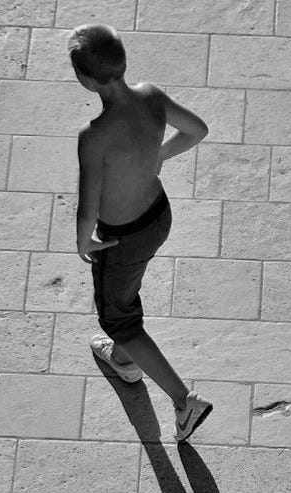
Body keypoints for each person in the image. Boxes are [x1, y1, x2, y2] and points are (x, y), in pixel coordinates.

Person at [69, 23, 212, 441]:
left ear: (84, 80)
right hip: (158, 216)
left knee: (119, 317)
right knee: (126, 292)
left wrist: (84, 244)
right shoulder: (151, 95)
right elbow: (197, 130)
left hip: (121, 236)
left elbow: (88, 204)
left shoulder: (93, 137)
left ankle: (184, 401)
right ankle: (124, 359)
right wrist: (159, 158)